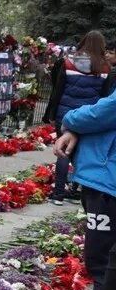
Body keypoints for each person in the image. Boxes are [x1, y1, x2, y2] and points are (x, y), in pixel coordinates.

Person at [35, 79, 116, 290]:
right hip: (105, 180)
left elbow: (103, 112)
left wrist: (69, 120)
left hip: (108, 184)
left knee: (103, 266)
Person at [42, 31, 112, 205]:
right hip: (88, 117)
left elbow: (57, 91)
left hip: (65, 114)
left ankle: (58, 193)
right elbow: (104, 96)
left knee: (63, 151)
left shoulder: (69, 63)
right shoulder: (104, 68)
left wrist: (51, 114)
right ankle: (75, 190)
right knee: (81, 151)